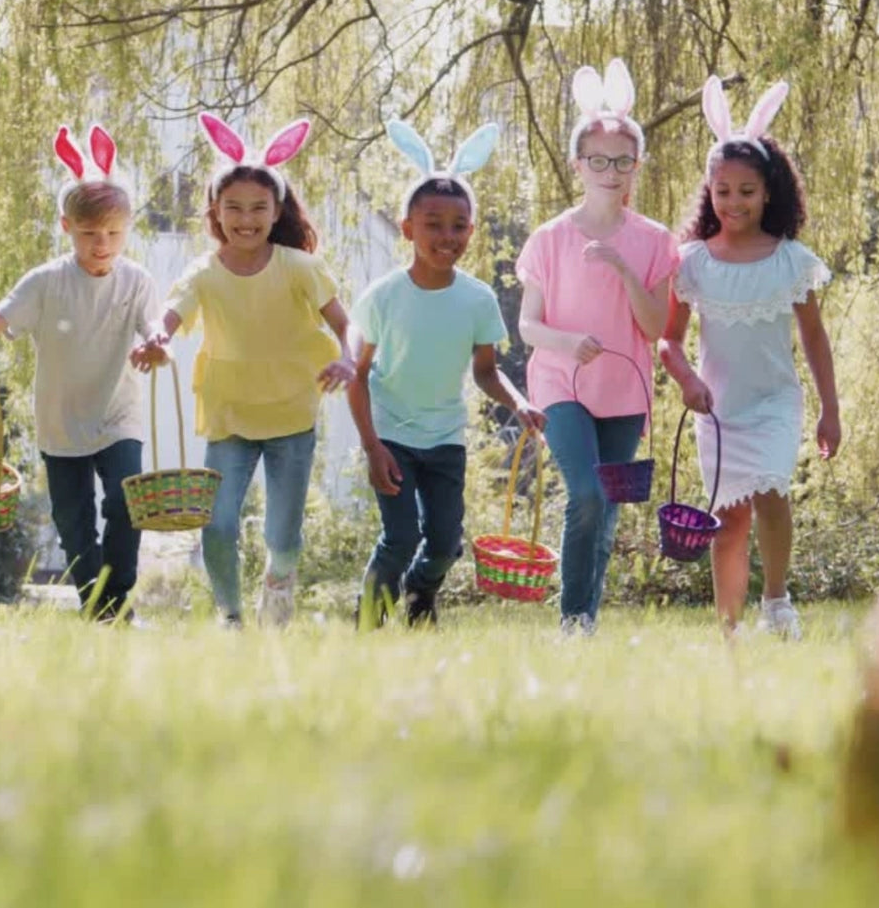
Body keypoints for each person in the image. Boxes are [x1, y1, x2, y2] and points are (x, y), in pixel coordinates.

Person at [141, 113, 354, 629]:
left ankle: (278, 586)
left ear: (277, 211)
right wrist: (157, 339)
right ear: (215, 211)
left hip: (291, 416)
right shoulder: (203, 273)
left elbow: (347, 325)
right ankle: (231, 616)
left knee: (283, 536)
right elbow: (169, 314)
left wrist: (348, 357)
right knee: (216, 526)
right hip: (230, 416)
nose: (246, 219)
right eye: (233, 207)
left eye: (259, 208)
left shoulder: (299, 267)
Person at [657, 78, 841, 640]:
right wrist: (687, 379)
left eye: (746, 191)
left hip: (774, 402)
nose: (733, 202)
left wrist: (829, 410)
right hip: (718, 410)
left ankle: (777, 602)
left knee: (771, 493)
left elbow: (815, 338)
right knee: (729, 519)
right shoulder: (692, 262)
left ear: (768, 193)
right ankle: (729, 629)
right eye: (723, 191)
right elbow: (668, 340)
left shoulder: (791, 262)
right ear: (709, 192)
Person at [349, 119, 545, 629]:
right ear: (407, 228)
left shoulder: (478, 299)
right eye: (432, 224)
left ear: (471, 232)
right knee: (400, 537)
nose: (446, 236)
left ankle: (420, 591)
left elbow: (486, 372)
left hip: (444, 439)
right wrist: (372, 447)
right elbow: (357, 375)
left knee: (444, 543)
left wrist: (520, 402)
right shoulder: (383, 297)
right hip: (391, 435)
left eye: (458, 226)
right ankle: (366, 623)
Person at [0, 125, 157, 623]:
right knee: (73, 522)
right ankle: (96, 607)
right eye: (90, 234)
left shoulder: (136, 280)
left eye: (113, 234)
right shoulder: (47, 282)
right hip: (61, 419)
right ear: (67, 226)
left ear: (128, 228)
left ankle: (118, 598)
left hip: (118, 414)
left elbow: (154, 326)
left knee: (125, 501)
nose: (102, 244)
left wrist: (157, 343)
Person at [516, 59, 678, 637]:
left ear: (637, 165)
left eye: (622, 161)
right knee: (585, 493)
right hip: (561, 384)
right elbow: (527, 326)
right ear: (578, 164)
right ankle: (572, 616)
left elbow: (655, 326)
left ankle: (587, 618)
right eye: (599, 160)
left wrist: (623, 269)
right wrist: (567, 343)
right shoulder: (549, 239)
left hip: (624, 391)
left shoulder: (654, 241)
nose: (611, 171)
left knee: (607, 507)